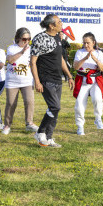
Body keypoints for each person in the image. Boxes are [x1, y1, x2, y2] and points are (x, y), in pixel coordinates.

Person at [30, 14, 75, 148]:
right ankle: (40, 132)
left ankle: (48, 138)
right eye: (59, 22)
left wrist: (69, 76)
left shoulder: (57, 37)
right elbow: (33, 62)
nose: (62, 24)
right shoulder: (40, 38)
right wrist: (37, 81)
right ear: (51, 25)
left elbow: (61, 59)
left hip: (57, 78)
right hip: (46, 78)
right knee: (55, 107)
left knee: (54, 109)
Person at [3, 27, 38, 135]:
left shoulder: (32, 49)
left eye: (29, 39)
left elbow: (34, 64)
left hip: (27, 81)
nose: (26, 41)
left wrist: (37, 80)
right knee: (11, 103)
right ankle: (7, 125)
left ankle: (29, 123)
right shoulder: (12, 48)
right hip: (12, 81)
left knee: (29, 101)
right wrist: (22, 52)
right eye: (24, 39)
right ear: (18, 38)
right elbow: (10, 60)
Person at [73, 32, 103, 135]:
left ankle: (98, 118)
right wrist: (85, 58)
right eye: (84, 43)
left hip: (95, 80)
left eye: (88, 43)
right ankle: (80, 126)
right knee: (79, 103)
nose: (86, 45)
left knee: (97, 98)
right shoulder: (79, 52)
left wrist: (95, 59)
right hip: (83, 80)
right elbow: (75, 67)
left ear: (93, 43)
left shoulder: (99, 53)